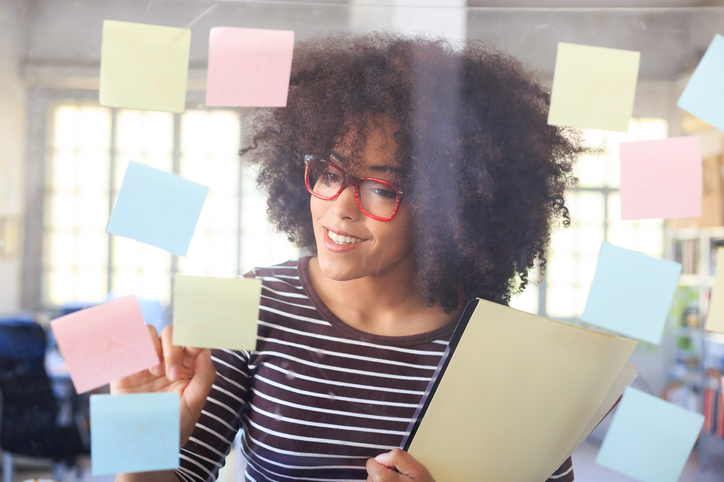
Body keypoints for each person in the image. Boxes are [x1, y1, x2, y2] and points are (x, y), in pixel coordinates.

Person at [113, 32, 584, 482]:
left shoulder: (499, 348)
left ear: (451, 208)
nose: (338, 207)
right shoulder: (246, 300)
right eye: (328, 173)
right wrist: (143, 437)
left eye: (380, 188)